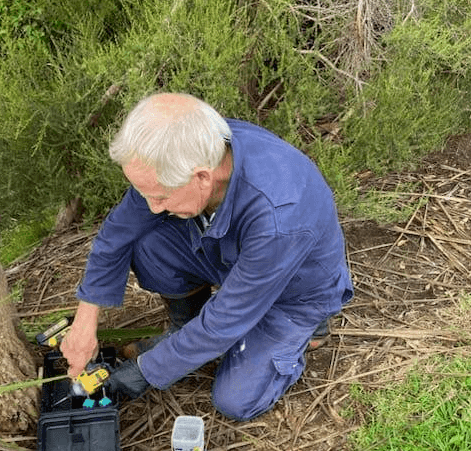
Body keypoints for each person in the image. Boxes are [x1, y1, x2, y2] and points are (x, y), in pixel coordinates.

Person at [60, 92, 353, 420]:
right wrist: (86, 318)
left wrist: (141, 374)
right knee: (147, 243)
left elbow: (225, 320)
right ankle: (186, 327)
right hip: (238, 259)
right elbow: (118, 232)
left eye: (159, 197)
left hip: (293, 294)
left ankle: (306, 332)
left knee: (235, 400)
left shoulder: (279, 216)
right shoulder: (189, 148)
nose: (152, 206)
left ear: (201, 177)